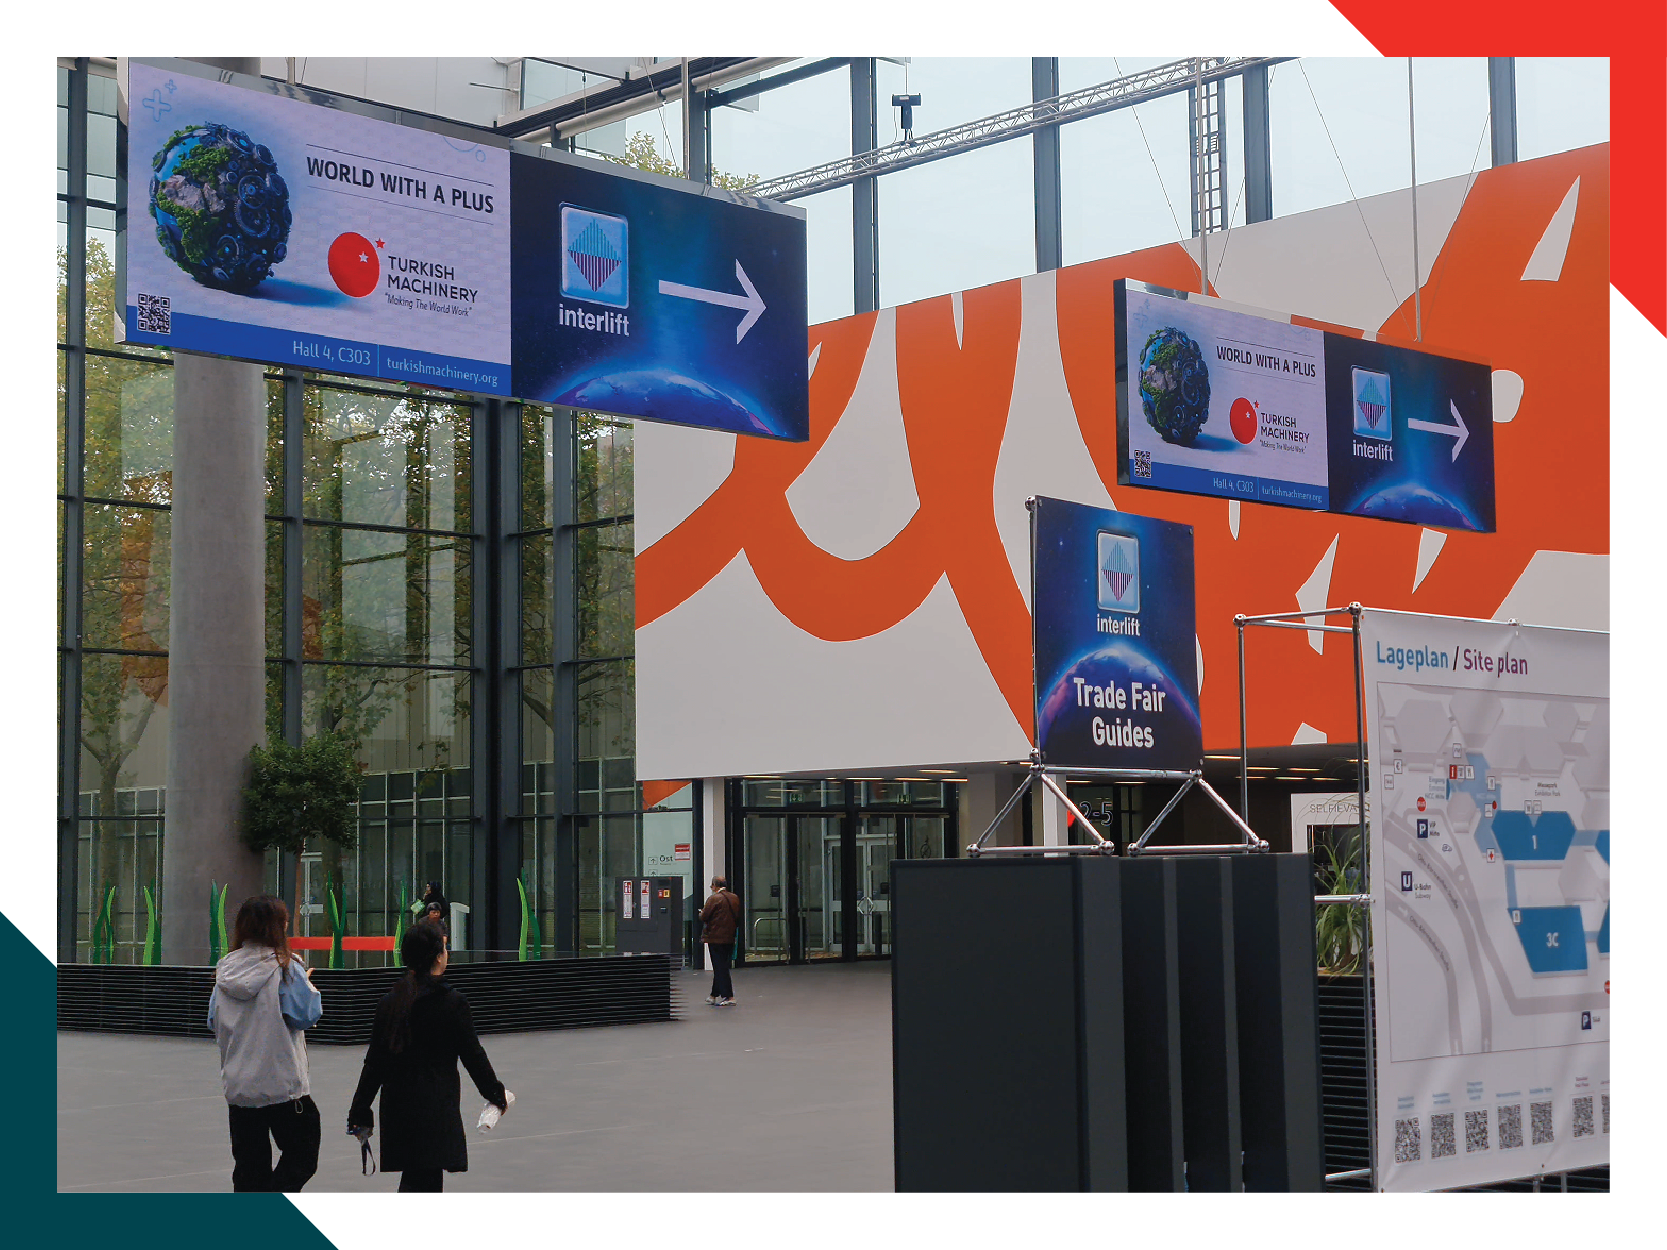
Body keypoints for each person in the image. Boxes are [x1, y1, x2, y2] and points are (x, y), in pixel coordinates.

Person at [347, 922, 507, 1191]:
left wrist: (360, 1109)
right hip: (435, 1109)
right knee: (425, 1183)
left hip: (398, 1109)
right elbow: (473, 1056)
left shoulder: (390, 1002)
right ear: (437, 956)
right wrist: (495, 1093)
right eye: (444, 948)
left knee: (417, 1181)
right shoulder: (452, 1003)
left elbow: (374, 1063)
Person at [208, 894, 324, 1192]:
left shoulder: (224, 970)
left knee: (249, 1170)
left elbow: (213, 1021)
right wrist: (307, 986)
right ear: (278, 926)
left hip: (240, 1087)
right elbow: (305, 1016)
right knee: (302, 1155)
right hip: (282, 1086)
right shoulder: (286, 968)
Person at [699, 876, 742, 1007]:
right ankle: (713, 995)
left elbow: (704, 916)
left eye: (712, 885)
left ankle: (728, 996)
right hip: (729, 936)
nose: (711, 888)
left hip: (715, 937)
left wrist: (701, 913)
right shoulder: (734, 898)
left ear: (715, 885)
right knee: (721, 965)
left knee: (720, 967)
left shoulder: (714, 899)